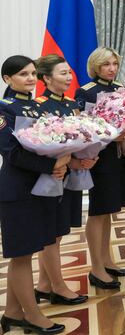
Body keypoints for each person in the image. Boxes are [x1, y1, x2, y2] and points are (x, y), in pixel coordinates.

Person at [0, 55, 68, 334]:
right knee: (21, 255)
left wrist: (65, 159)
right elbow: (11, 153)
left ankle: (13, 313)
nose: (30, 79)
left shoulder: (37, 107)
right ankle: (32, 316)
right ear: (7, 79)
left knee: (30, 250)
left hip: (41, 188)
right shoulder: (5, 109)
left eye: (32, 74)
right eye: (22, 74)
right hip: (18, 190)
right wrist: (52, 165)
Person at [33, 55, 92, 304]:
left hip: (68, 177)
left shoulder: (71, 105)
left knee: (59, 233)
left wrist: (81, 160)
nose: (68, 77)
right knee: (50, 234)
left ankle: (43, 285)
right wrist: (58, 164)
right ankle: (58, 287)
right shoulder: (38, 106)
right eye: (62, 73)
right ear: (46, 78)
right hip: (48, 178)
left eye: (69, 73)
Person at [74, 47, 125, 289]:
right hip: (98, 157)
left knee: (109, 210)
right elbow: (85, 127)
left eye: (114, 64)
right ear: (96, 66)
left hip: (118, 157)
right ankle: (96, 268)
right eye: (106, 64)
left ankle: (108, 260)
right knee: (97, 211)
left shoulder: (120, 89)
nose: (111, 68)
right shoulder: (86, 91)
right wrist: (111, 135)